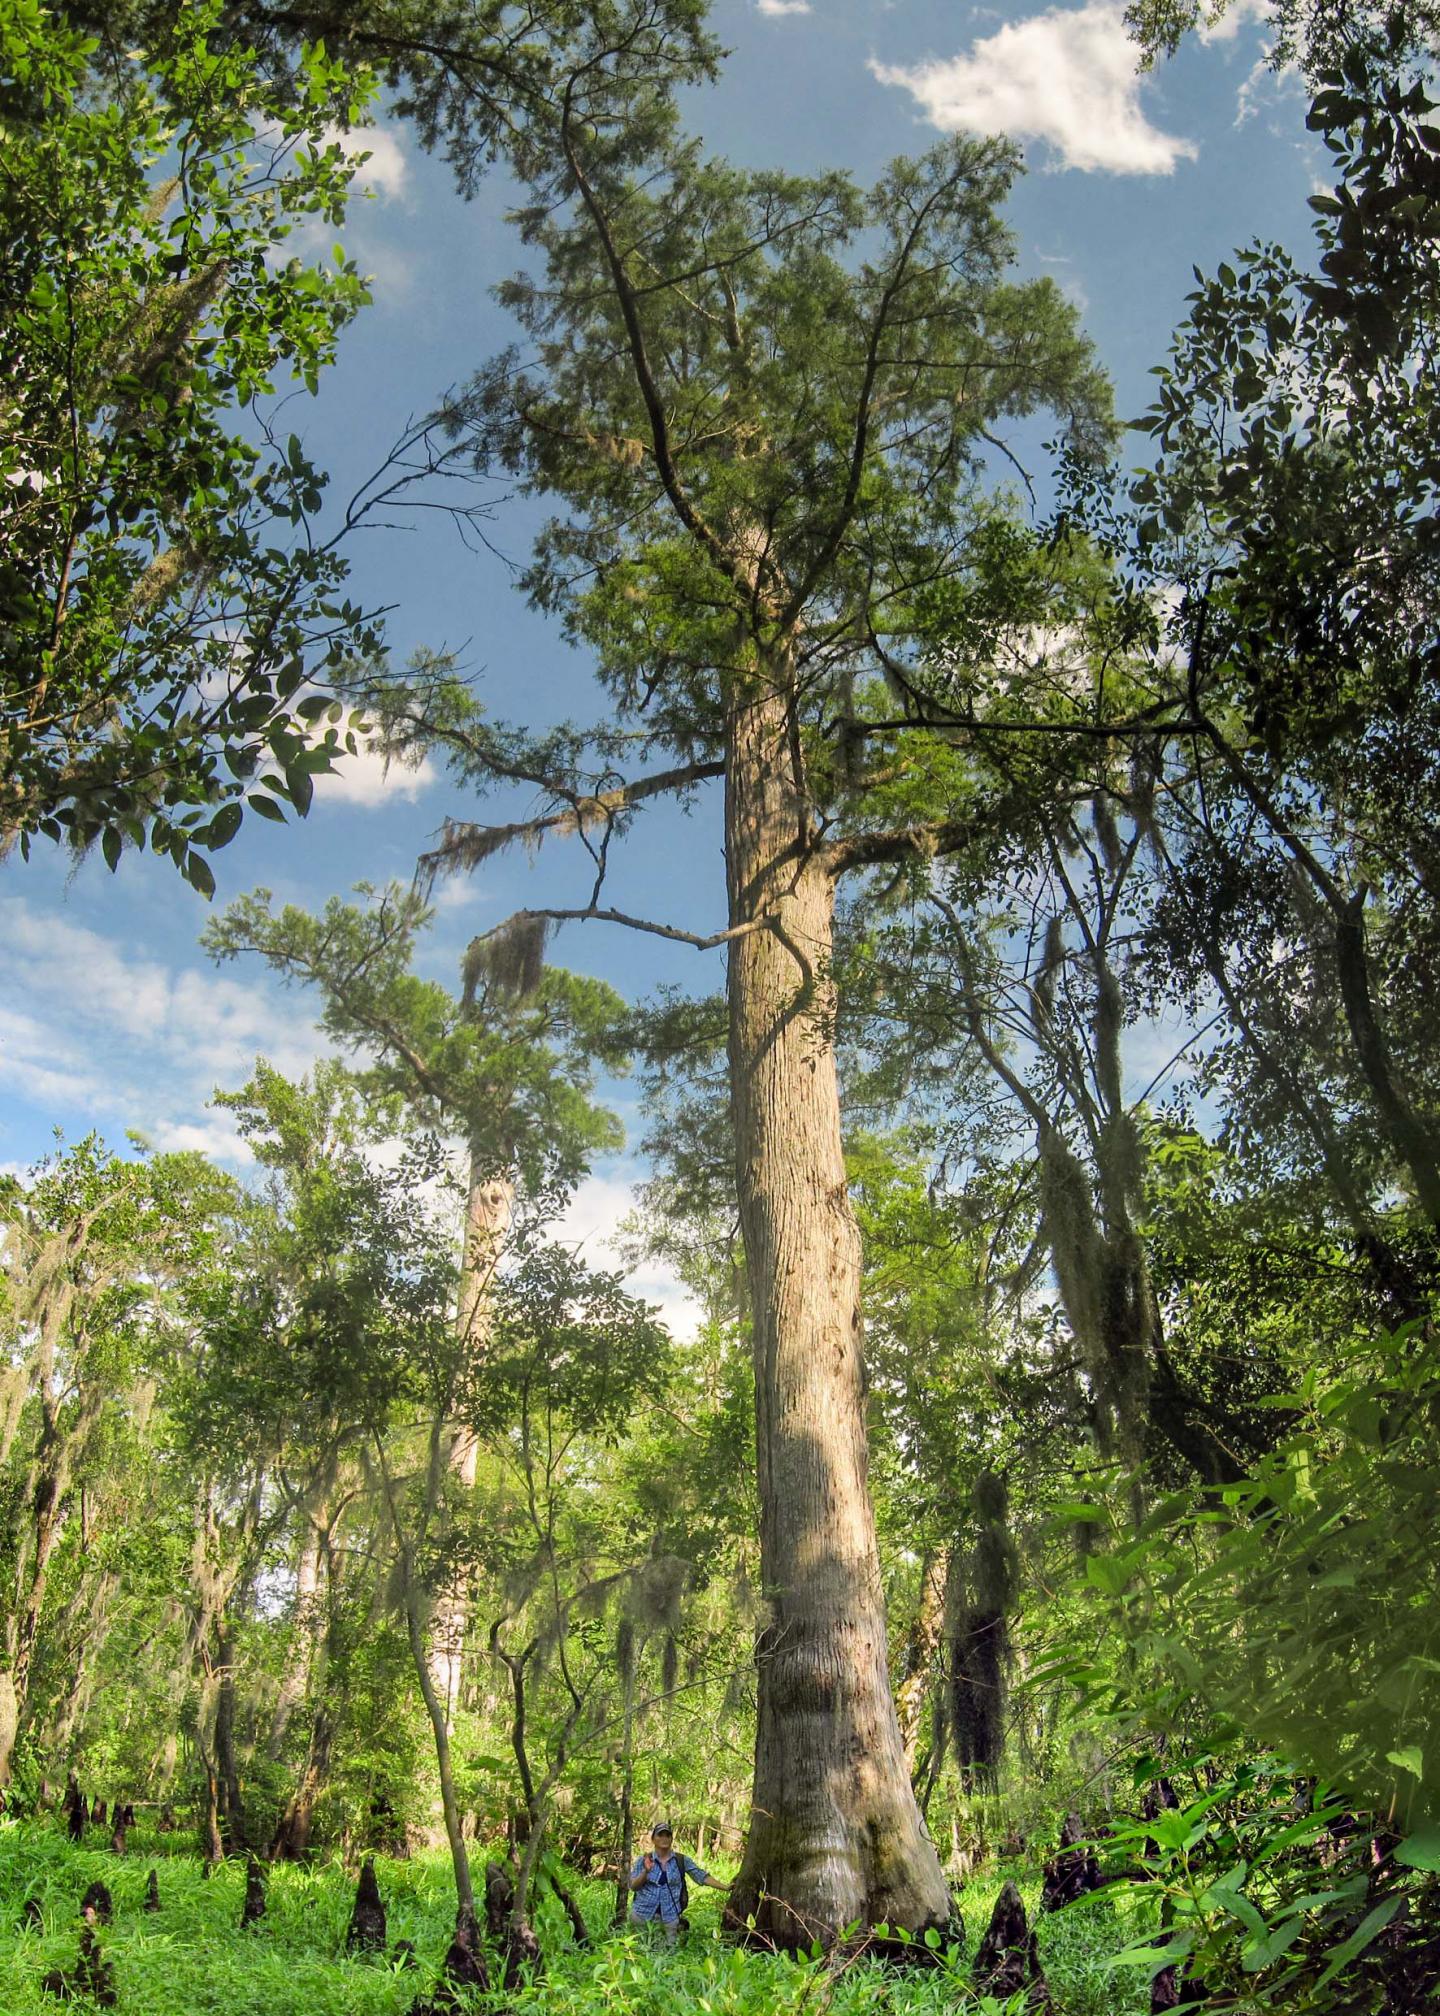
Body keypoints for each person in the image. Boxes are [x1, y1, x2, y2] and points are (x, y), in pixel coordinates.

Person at [627, 1821, 728, 1944]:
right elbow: (633, 1886)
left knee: (668, 1954)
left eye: (667, 1835)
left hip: (669, 1918)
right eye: (660, 1835)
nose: (664, 1838)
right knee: (640, 1952)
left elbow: (701, 1876)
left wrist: (725, 1887)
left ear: (671, 1839)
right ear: (653, 1839)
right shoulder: (643, 1860)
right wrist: (646, 1872)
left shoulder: (681, 1860)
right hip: (642, 1916)